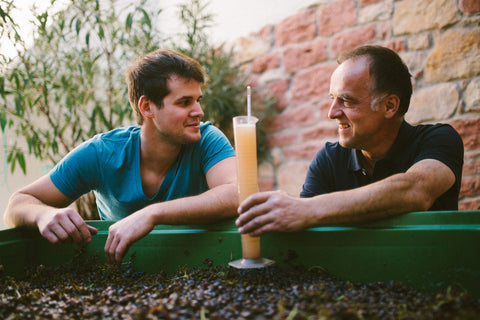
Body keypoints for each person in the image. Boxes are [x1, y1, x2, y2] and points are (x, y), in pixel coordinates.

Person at [4, 49, 238, 264]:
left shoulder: (207, 139)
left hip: (200, 268)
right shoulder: (101, 153)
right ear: (147, 107)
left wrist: (152, 214)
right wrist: (43, 214)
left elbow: (237, 194)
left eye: (198, 100)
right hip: (123, 277)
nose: (199, 111)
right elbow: (17, 204)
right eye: (185, 102)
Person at [236, 45, 464, 236]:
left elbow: (416, 190)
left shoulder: (439, 139)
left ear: (390, 106)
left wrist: (307, 209)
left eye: (346, 101)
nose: (332, 113)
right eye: (332, 99)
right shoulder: (329, 159)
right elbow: (307, 235)